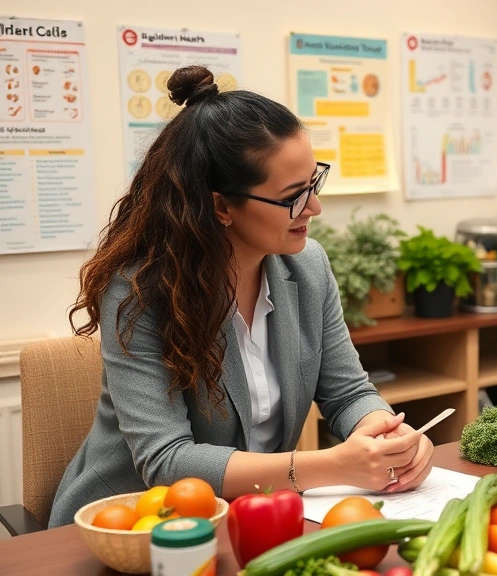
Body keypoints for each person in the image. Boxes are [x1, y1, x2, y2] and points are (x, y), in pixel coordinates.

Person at [49, 66, 433, 527]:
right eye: (293, 195)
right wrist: (333, 465)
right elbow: (166, 460)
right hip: (132, 523)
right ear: (221, 206)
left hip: (247, 516)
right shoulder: (140, 291)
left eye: (315, 181)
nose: (314, 207)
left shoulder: (307, 266)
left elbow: (348, 391)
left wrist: (386, 435)